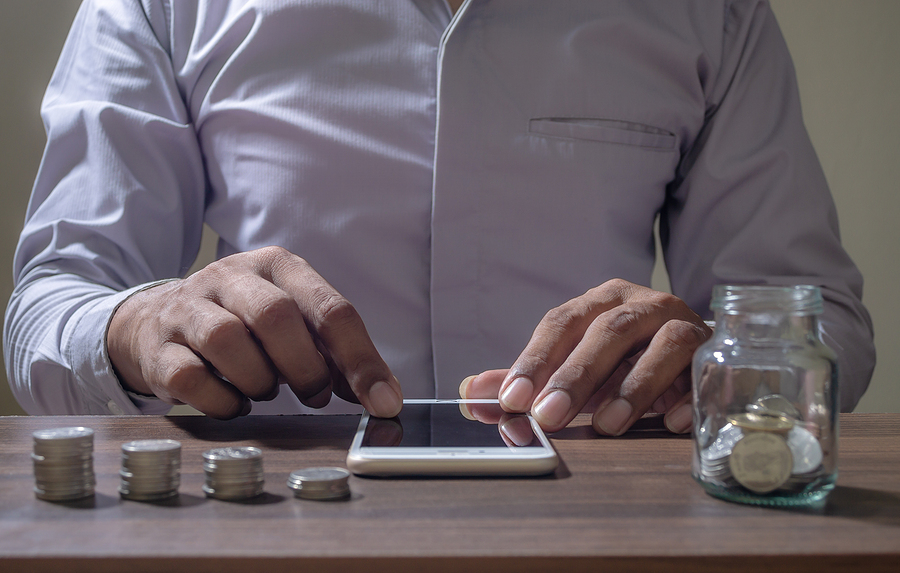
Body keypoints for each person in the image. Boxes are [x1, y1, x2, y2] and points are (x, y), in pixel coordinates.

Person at [4, 0, 875, 437]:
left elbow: (825, 325)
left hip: (607, 536)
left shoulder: (711, 11)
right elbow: (52, 306)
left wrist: (719, 354)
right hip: (266, 533)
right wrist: (137, 322)